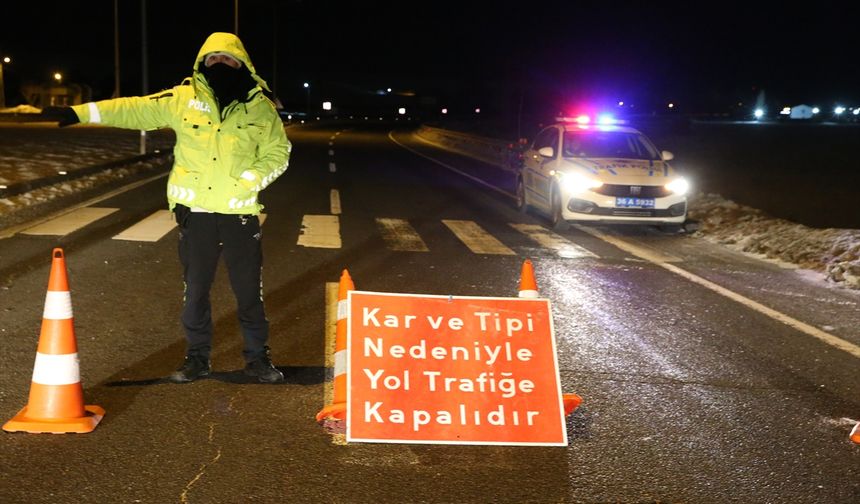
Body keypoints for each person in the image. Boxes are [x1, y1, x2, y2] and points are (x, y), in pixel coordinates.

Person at [43, 32, 291, 383]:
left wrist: (252, 179)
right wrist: (79, 111)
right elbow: (135, 108)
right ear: (203, 63)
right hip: (196, 212)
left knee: (249, 292)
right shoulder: (183, 98)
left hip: (239, 213)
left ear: (242, 64)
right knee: (196, 293)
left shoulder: (260, 107)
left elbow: (279, 152)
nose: (220, 64)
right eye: (213, 59)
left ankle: (257, 358)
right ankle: (197, 358)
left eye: (227, 59)